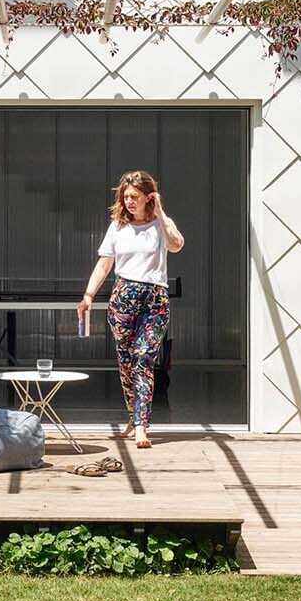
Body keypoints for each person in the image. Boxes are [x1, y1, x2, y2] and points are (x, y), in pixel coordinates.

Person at [77, 170, 184, 448]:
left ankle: (141, 426)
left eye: (134, 197)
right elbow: (104, 263)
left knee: (144, 357)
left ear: (149, 197)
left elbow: (177, 245)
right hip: (124, 297)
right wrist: (89, 295)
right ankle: (133, 415)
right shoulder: (118, 226)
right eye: (125, 197)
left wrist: (160, 213)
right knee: (126, 363)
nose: (129, 202)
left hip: (154, 299)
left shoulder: (161, 224)